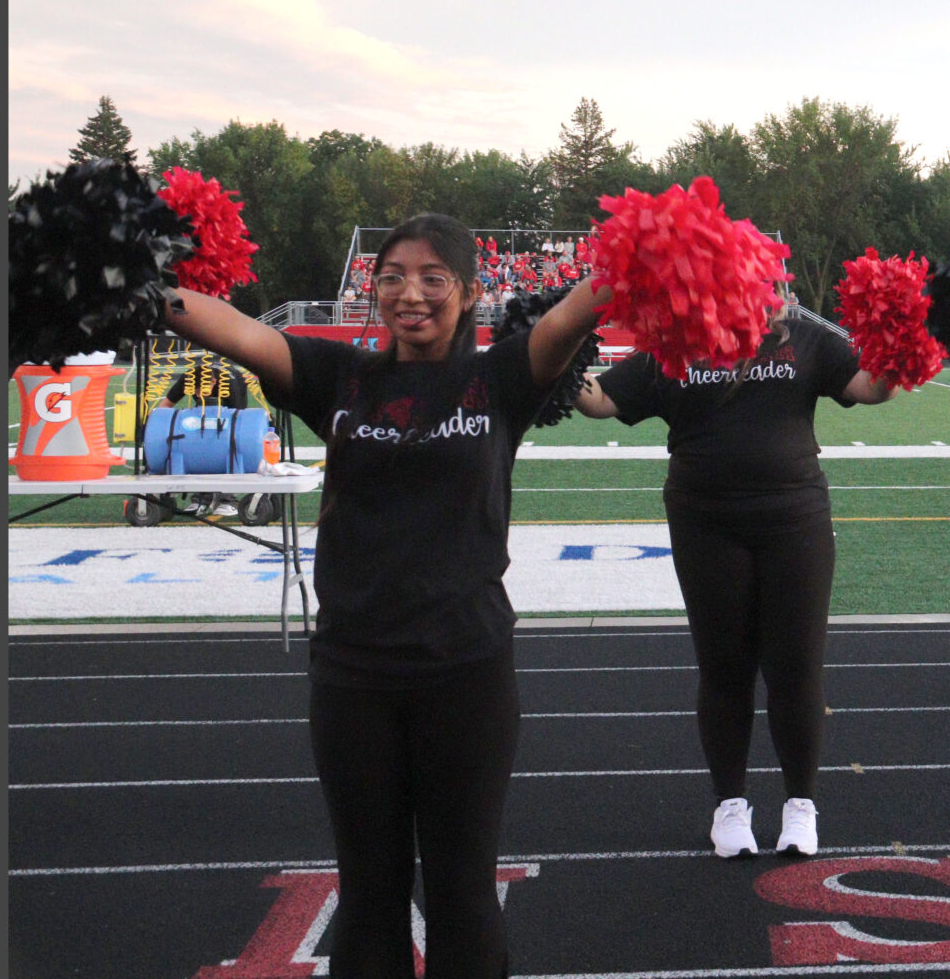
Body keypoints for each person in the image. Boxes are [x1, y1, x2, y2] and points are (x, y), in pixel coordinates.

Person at [161, 212, 606, 977]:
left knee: (464, 894)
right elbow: (232, 331)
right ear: (373, 291)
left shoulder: (499, 380)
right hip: (353, 677)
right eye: (393, 276)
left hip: (465, 672)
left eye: (433, 277)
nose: (411, 293)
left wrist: (651, 256)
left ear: (468, 293)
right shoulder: (340, 378)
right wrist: (119, 276)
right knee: (368, 895)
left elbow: (572, 313)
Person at [575, 305, 898, 859]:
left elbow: (871, 387)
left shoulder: (803, 334)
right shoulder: (676, 339)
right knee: (723, 666)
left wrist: (903, 341)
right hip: (704, 518)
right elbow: (600, 401)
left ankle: (801, 804)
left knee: (796, 666)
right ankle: (730, 803)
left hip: (794, 514)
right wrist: (561, 335)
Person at [156, 362, 250, 516]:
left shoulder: (230, 384)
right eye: (195, 391)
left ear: (213, 382)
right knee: (198, 440)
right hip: (207, 406)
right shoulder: (188, 378)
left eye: (202, 391)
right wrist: (153, 424)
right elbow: (165, 405)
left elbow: (238, 421)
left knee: (228, 440)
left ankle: (228, 498)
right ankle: (202, 496)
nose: (198, 395)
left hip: (233, 395)